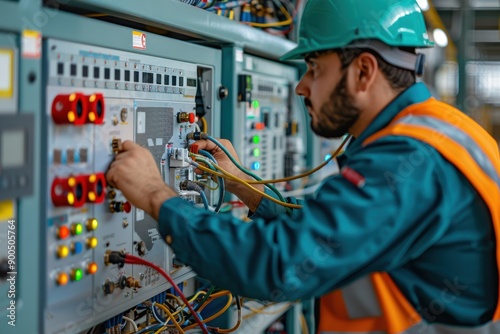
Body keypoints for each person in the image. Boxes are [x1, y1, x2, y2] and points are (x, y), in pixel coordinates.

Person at [106, 0, 500, 332]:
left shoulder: (408, 161)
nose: (302, 86)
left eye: (315, 68)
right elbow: (327, 233)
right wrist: (243, 183)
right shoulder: (438, 130)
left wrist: (156, 195)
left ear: (363, 71)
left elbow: (280, 265)